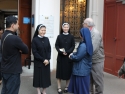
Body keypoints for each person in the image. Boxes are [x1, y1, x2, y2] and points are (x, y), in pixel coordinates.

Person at [1, 16, 28, 94]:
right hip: (13, 71)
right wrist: (19, 49)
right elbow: (26, 50)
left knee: (5, 90)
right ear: (13, 25)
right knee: (12, 91)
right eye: (17, 24)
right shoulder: (14, 38)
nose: (19, 26)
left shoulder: (3, 35)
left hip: (5, 69)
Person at [68, 27, 93, 94]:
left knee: (81, 90)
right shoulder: (88, 44)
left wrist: (71, 56)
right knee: (83, 90)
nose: (79, 35)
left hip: (81, 70)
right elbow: (81, 54)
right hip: (84, 70)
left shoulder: (83, 46)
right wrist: (74, 53)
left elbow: (78, 57)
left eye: (80, 33)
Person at [83, 18, 105, 94]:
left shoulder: (95, 33)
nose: (83, 25)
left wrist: (80, 54)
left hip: (96, 61)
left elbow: (92, 49)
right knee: (89, 81)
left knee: (98, 81)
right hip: (90, 60)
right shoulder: (88, 32)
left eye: (84, 24)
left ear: (87, 25)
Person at [55, 23, 75, 94]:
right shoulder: (59, 36)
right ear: (62, 28)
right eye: (64, 27)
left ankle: (67, 87)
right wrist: (61, 52)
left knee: (68, 73)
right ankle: (59, 87)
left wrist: (68, 52)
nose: (66, 28)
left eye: (67, 27)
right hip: (61, 57)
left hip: (68, 58)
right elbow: (56, 45)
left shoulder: (71, 37)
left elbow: (73, 46)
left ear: (69, 28)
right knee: (59, 74)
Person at [32, 24, 51, 94]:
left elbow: (49, 49)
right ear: (38, 30)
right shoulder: (35, 40)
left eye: (45, 30)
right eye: (42, 30)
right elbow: (35, 52)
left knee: (45, 76)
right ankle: (38, 91)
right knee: (38, 77)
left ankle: (44, 90)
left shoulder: (46, 39)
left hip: (47, 62)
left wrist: (48, 59)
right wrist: (43, 60)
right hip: (39, 62)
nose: (43, 32)